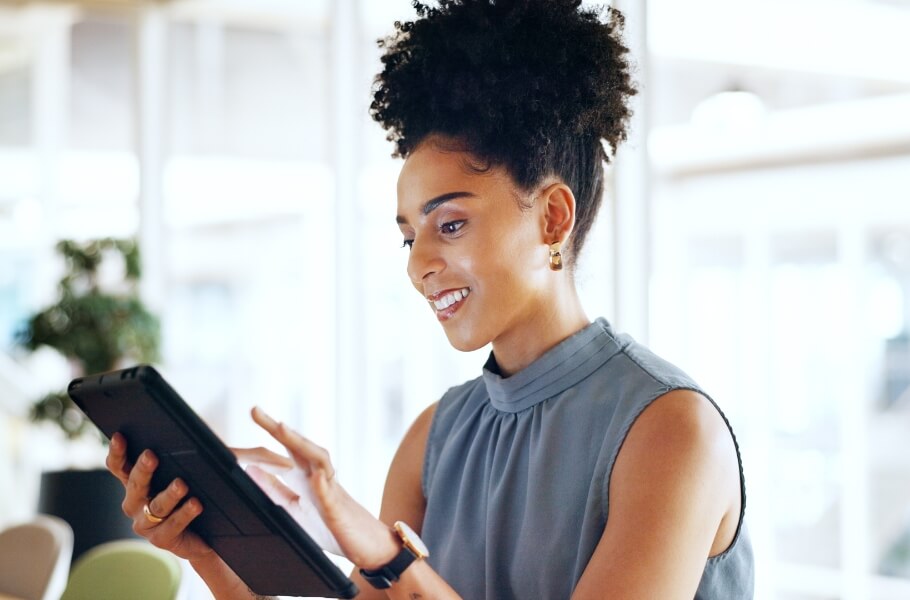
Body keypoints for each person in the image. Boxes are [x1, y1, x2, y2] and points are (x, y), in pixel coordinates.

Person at [106, 1, 754, 598]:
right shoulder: (434, 438)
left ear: (553, 219)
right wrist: (212, 552)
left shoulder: (672, 432)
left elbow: (399, 575)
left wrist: (387, 556)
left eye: (450, 225)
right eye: (409, 236)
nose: (419, 265)